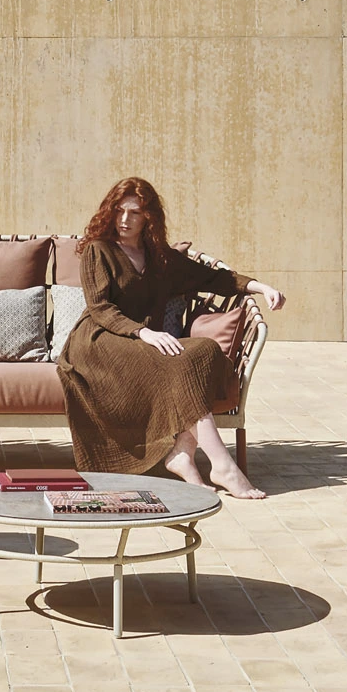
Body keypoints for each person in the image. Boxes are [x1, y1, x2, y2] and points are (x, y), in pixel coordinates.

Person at [57, 177, 286, 498]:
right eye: (119, 211)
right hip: (98, 340)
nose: (125, 219)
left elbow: (213, 278)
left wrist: (261, 287)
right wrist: (144, 332)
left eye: (135, 213)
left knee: (205, 351)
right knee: (176, 363)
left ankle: (182, 453)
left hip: (141, 341)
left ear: (148, 217)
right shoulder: (100, 249)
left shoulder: (159, 258)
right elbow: (100, 308)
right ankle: (222, 465)